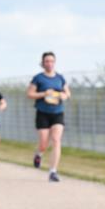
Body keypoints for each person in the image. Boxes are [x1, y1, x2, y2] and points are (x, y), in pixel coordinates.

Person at [26, 52, 70, 183]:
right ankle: (39, 154)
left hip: (57, 112)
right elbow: (30, 94)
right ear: (43, 63)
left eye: (51, 61)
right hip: (43, 113)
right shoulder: (38, 78)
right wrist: (44, 94)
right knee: (44, 143)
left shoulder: (60, 78)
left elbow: (67, 92)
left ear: (54, 62)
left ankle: (53, 172)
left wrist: (64, 96)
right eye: (47, 61)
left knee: (56, 140)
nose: (49, 63)